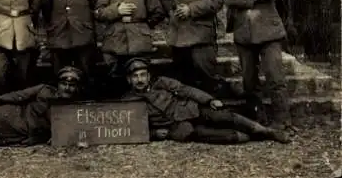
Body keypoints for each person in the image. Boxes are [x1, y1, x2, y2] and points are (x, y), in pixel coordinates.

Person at [122, 58, 291, 144]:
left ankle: (267, 132)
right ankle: (247, 137)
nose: (140, 79)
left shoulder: (162, 83)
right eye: (135, 76)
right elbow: (131, 129)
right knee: (206, 134)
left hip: (189, 110)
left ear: (149, 76)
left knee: (223, 117)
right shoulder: (128, 101)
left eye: (143, 75)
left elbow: (186, 90)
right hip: (176, 127)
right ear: (129, 80)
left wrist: (209, 100)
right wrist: (154, 135)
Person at [225, 0, 292, 131]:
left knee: (275, 76)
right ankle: (256, 118)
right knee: (249, 80)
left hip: (269, 33)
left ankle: (282, 120)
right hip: (245, 34)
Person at [95, 0, 165, 98]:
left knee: (141, 81)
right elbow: (99, 13)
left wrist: (141, 25)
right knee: (115, 82)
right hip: (114, 43)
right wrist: (116, 10)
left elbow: (158, 12)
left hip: (139, 42)